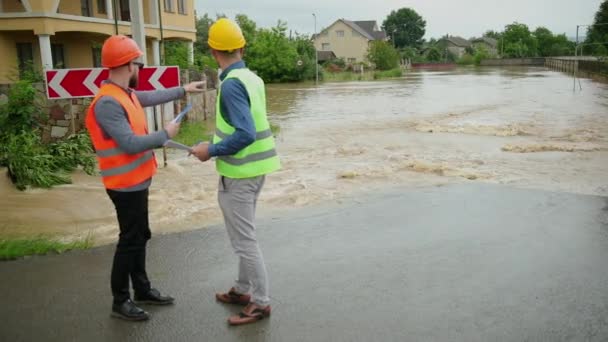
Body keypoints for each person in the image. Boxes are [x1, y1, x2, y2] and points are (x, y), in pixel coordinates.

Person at [85, 35, 204, 321]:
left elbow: (148, 97)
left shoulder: (124, 93)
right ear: (129, 65)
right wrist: (165, 135)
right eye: (138, 63)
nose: (140, 69)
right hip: (124, 186)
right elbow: (129, 143)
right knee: (130, 240)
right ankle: (120, 301)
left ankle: (142, 290)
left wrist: (182, 90)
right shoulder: (108, 103)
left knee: (140, 236)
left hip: (137, 181)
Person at [191, 18, 281, 326]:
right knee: (245, 236)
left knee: (244, 241)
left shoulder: (230, 86)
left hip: (240, 175)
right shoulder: (253, 78)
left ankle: (261, 302)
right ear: (241, 47)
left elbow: (244, 133)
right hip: (256, 170)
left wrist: (209, 150)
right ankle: (243, 290)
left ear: (213, 51)